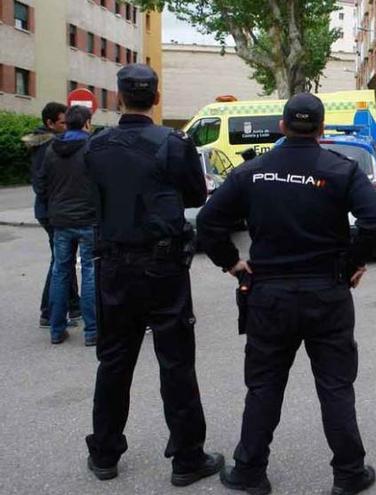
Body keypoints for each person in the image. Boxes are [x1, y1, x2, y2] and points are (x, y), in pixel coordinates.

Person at [197, 92, 376, 495]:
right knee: (335, 386)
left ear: (282, 126)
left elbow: (209, 221)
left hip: (270, 295)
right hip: (326, 292)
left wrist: (232, 262)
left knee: (264, 385)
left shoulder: (254, 170)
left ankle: (249, 471)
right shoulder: (339, 169)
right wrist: (351, 262)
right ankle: (350, 474)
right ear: (321, 130)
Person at [83, 64, 223, 485]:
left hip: (114, 264)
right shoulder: (173, 143)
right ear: (156, 99)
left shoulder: (97, 145)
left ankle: (105, 452)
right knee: (176, 362)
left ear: (118, 97)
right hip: (162, 265)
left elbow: (92, 196)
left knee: (113, 361)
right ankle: (187, 457)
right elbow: (197, 194)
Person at [32, 105, 98, 346]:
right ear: (86, 123)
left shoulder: (51, 149)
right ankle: (92, 331)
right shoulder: (92, 147)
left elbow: (40, 184)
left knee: (61, 271)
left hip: (60, 220)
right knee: (90, 272)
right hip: (88, 219)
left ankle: (56, 329)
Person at [23, 102, 81, 328]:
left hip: (55, 210)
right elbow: (40, 184)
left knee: (63, 259)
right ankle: (48, 312)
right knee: (61, 261)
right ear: (50, 123)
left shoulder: (50, 141)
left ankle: (73, 306)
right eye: (62, 123)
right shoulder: (46, 145)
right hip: (52, 212)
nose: (67, 126)